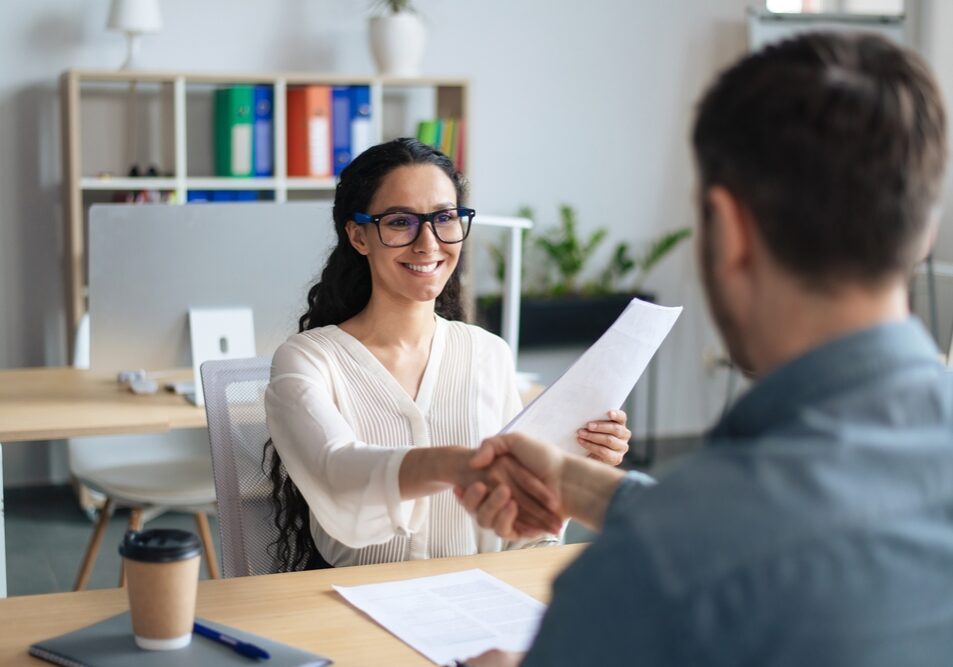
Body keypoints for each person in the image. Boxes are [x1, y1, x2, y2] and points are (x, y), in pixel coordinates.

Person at [455, 33, 953, 666]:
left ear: (730, 228)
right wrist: (572, 483)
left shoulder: (656, 569)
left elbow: (723, 537)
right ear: (922, 230)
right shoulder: (690, 537)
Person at [263, 138, 630, 570]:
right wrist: (458, 464)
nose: (429, 243)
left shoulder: (487, 353)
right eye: (401, 221)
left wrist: (574, 464)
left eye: (444, 218)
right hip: (359, 603)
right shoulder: (307, 360)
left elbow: (522, 537)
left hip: (479, 601)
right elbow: (338, 473)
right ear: (359, 235)